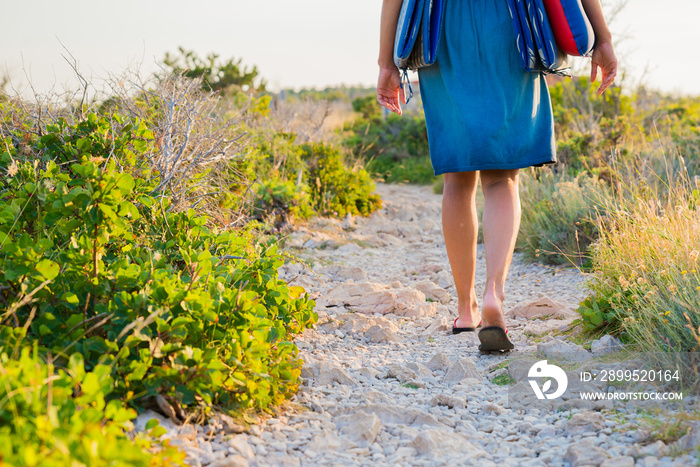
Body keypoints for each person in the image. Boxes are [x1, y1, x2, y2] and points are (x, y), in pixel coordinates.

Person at [377, 0, 617, 351]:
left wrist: (386, 63)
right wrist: (604, 39)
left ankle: (466, 309)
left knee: (457, 178)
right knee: (501, 177)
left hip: (441, 28)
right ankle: (494, 294)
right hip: (512, 24)